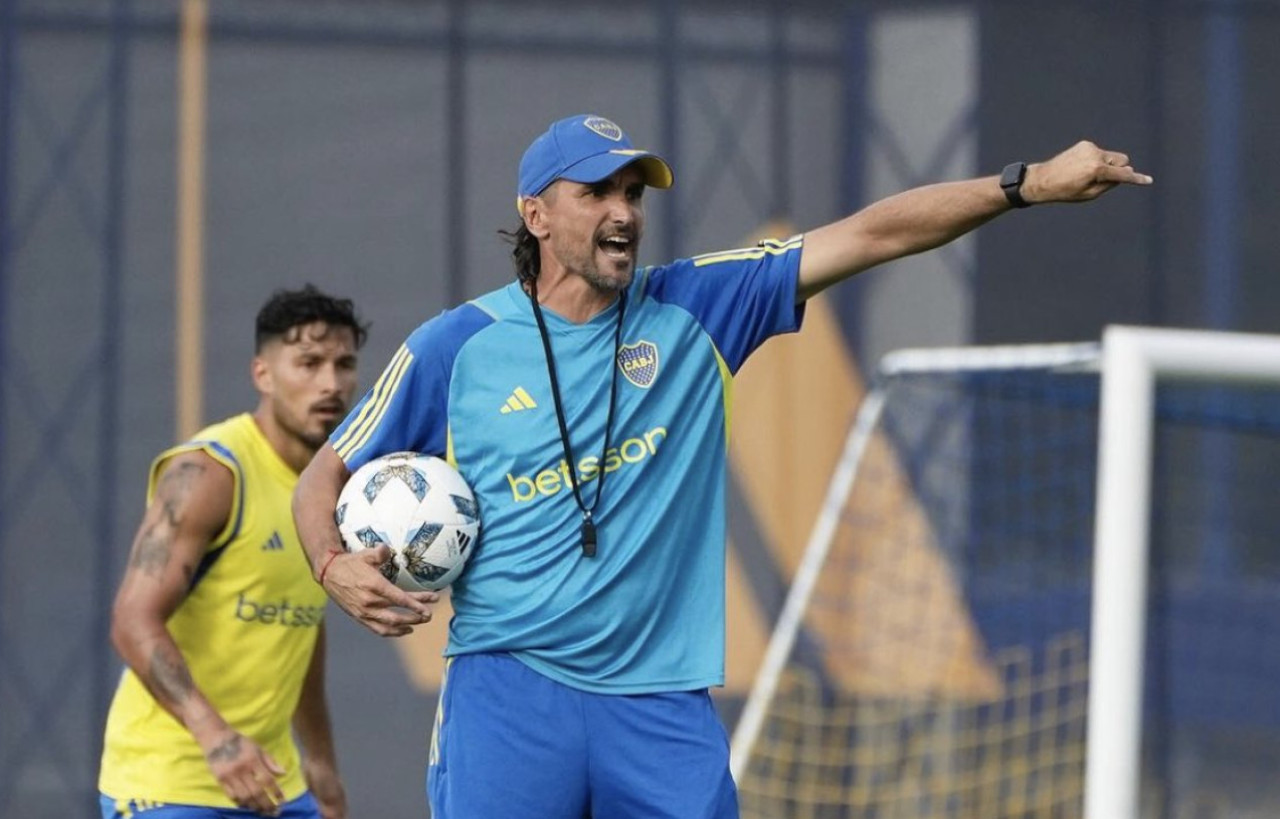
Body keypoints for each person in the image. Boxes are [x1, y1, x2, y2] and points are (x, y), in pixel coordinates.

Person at [292, 114, 1152, 817]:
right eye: (596, 192)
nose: (623, 210)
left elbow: (873, 234)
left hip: (662, 704)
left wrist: (1025, 184)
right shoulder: (457, 345)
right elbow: (320, 480)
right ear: (536, 214)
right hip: (509, 689)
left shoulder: (701, 304)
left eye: (633, 192)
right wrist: (332, 566)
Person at [100, 285, 368, 819]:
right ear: (262, 375)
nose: (330, 384)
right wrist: (215, 737)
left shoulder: (337, 487)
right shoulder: (209, 474)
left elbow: (302, 624)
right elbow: (132, 620)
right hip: (170, 784)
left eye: (343, 364)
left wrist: (319, 762)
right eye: (308, 363)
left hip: (277, 785)